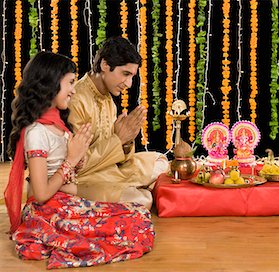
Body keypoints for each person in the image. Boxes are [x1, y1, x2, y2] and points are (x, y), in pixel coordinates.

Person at [4, 51, 155, 269]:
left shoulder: (57, 123)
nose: (73, 90)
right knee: (132, 226)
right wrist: (71, 161)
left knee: (139, 216)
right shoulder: (36, 132)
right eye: (70, 83)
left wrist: (81, 157)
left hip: (67, 198)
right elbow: (41, 194)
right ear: (51, 84)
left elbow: (71, 170)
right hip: (48, 211)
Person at [68, 37, 169, 209]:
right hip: (86, 177)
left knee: (161, 161)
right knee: (142, 201)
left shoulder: (107, 98)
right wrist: (118, 139)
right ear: (105, 65)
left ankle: (126, 188)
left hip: (110, 168)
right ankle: (128, 189)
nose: (129, 84)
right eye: (125, 74)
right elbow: (76, 165)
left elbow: (118, 155)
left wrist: (127, 142)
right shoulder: (77, 99)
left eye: (132, 76)